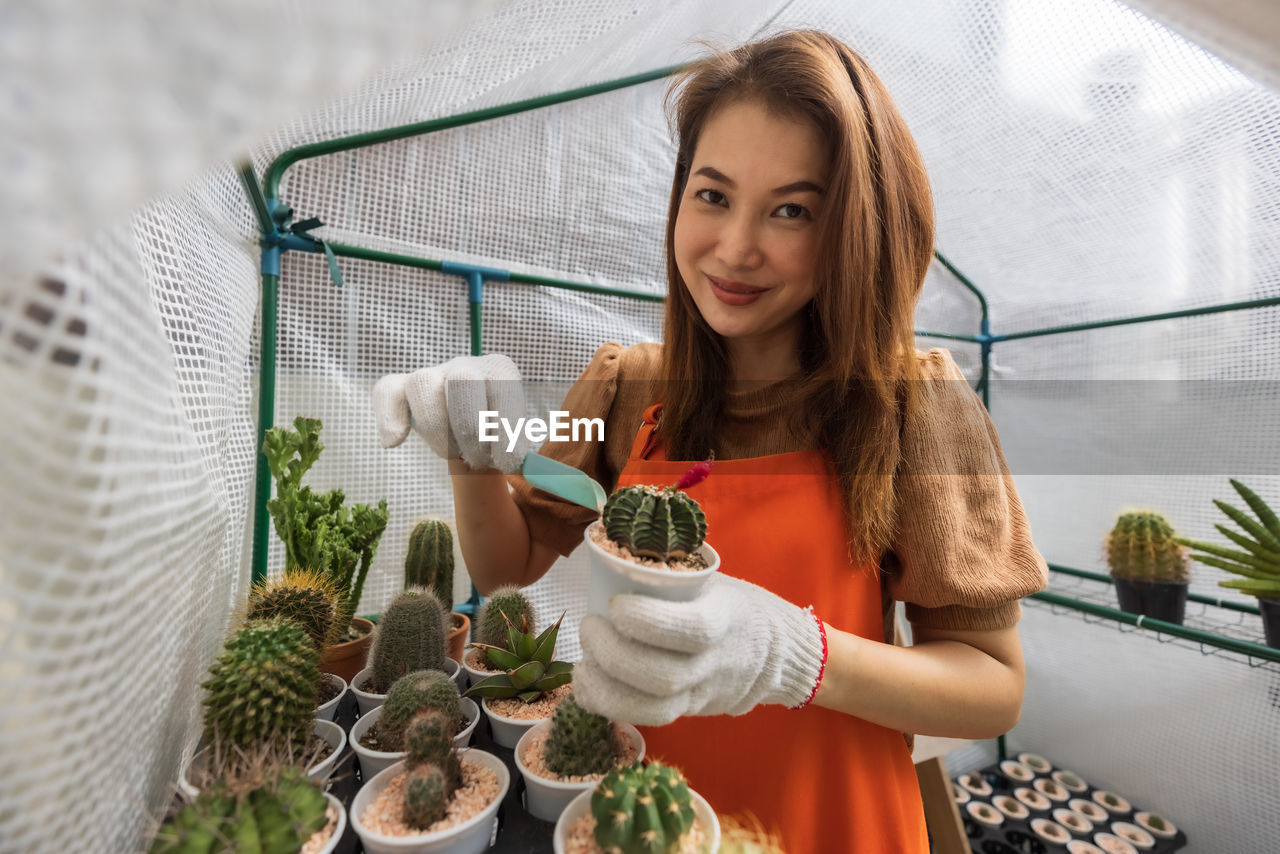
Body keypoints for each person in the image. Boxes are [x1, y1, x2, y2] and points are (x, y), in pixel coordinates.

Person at [372, 29, 1048, 853]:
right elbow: (509, 562)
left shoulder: (913, 405)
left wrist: (793, 655)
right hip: (640, 825)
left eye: (791, 210)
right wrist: (471, 449)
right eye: (713, 194)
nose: (734, 249)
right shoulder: (627, 390)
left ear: (855, 229)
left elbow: (991, 686)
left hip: (831, 824)